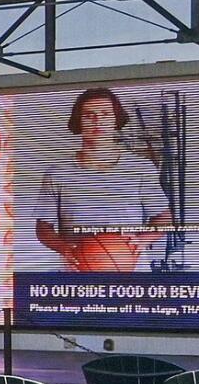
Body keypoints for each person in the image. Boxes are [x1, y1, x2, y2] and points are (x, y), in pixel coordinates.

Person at [29, 86, 170, 270]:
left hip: (129, 266)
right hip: (77, 269)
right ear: (78, 122)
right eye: (89, 115)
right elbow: (43, 229)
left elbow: (164, 217)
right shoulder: (58, 172)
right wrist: (63, 247)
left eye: (105, 114)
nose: (97, 121)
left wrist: (143, 239)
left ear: (115, 119)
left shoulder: (140, 167)